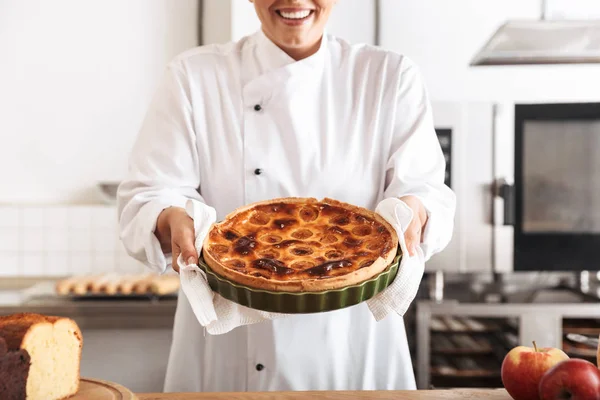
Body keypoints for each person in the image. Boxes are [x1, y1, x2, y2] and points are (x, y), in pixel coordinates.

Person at [117, 0, 456, 393]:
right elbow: (148, 194)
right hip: (231, 346)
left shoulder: (388, 75)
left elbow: (425, 189)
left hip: (353, 338)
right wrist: (168, 218)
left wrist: (414, 210)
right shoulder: (194, 76)